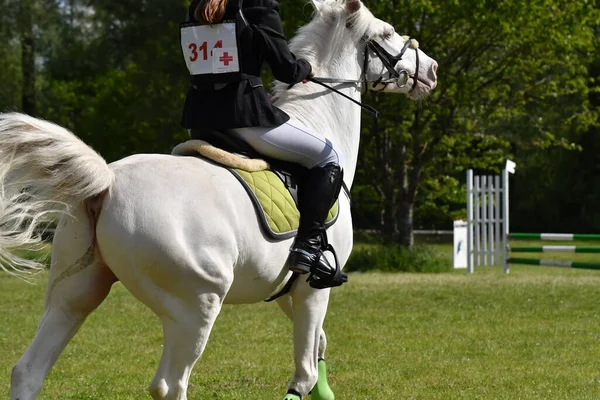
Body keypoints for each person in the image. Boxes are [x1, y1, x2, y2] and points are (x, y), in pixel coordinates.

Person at [181, 0, 347, 288]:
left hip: (201, 119)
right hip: (244, 117)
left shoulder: (197, 6)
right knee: (328, 156)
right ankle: (308, 248)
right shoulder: (258, 6)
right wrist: (306, 67)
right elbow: (285, 69)